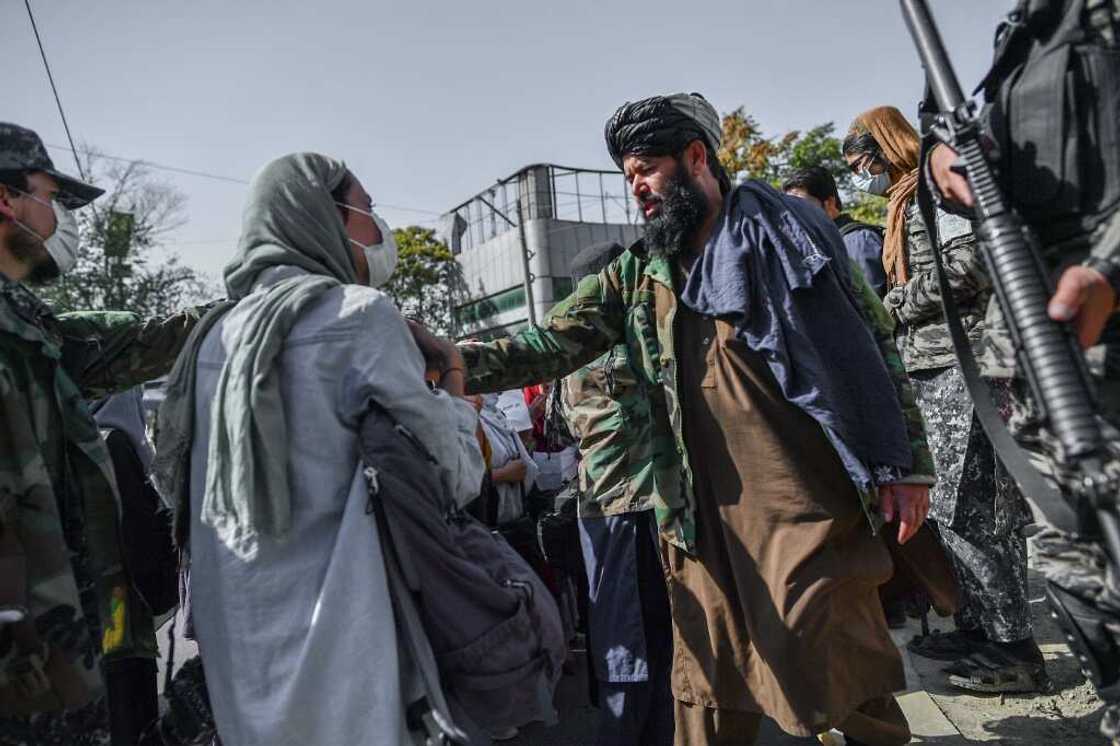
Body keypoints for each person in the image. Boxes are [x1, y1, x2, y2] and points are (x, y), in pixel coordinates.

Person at [459, 92, 936, 746]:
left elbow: (871, 345)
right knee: (710, 677)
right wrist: (447, 361)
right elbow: (549, 345)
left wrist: (907, 464)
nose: (638, 189)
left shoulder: (786, 236)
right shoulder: (638, 273)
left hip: (797, 502)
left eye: (646, 169)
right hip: (694, 512)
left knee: (831, 655)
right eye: (629, 177)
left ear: (695, 157)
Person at [151, 153, 483, 746]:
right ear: (324, 216)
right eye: (368, 209)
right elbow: (457, 474)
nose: (378, 228)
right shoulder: (358, 317)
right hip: (348, 644)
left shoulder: (208, 341)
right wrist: (452, 372)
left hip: (240, 652)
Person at [922, 0, 1120, 737]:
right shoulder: (1025, 37)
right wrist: (946, 152)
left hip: (1095, 324)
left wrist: (1110, 269)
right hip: (1047, 359)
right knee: (1078, 570)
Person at [0, 123, 210, 746]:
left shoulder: (36, 330)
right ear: (8, 199)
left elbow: (154, 337)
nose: (61, 216)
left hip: (59, 671)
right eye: (52, 196)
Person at [843, 106, 1046, 693]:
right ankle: (983, 629)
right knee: (958, 511)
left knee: (977, 511)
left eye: (865, 163)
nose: (864, 176)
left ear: (887, 148)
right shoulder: (905, 203)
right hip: (932, 366)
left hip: (965, 364)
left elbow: (971, 265)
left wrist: (897, 304)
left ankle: (1015, 649)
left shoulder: (937, 194)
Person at [555, 240, 673, 746]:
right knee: (645, 642)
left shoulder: (564, 346)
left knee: (621, 639)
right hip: (637, 502)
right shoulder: (619, 337)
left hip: (599, 503)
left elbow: (561, 430)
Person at [782, 165, 888, 297]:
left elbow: (874, 306)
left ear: (829, 203)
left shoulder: (856, 241)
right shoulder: (822, 246)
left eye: (801, 205)